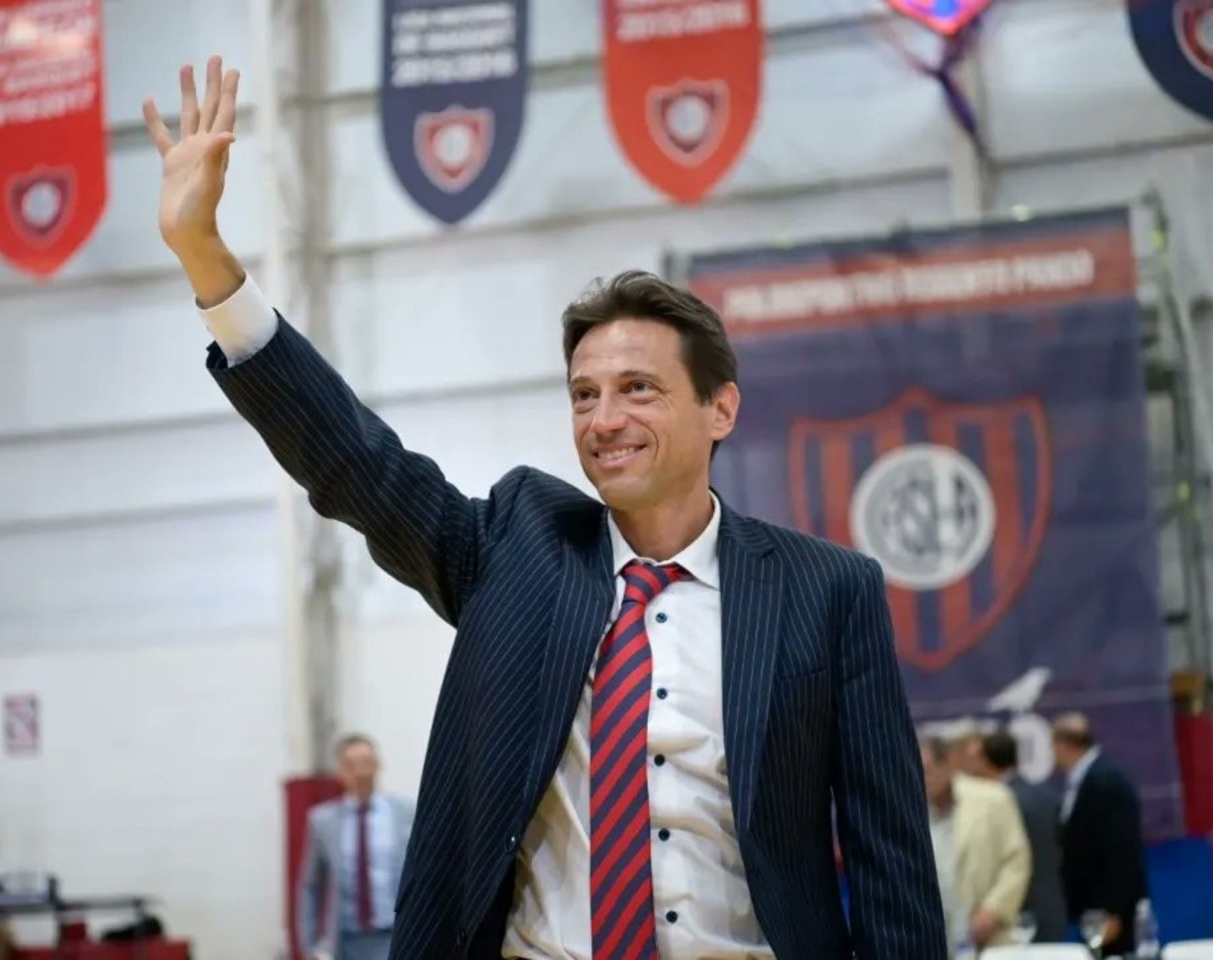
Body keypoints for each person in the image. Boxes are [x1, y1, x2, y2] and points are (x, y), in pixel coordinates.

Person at [142, 56, 947, 960]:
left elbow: (890, 866)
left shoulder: (826, 592)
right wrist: (206, 256)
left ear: (720, 408)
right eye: (584, 394)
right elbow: (357, 463)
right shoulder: (517, 548)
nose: (604, 420)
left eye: (638, 389)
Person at [298, 735, 414, 960]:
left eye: (367, 762)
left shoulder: (406, 814)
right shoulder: (322, 821)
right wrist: (309, 946)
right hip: (346, 942)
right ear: (340, 772)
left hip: (395, 935)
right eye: (351, 765)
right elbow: (311, 886)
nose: (361, 772)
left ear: (378, 765)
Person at [920, 737, 1032, 955]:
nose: (921, 779)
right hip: (934, 938)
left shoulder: (992, 798)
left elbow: (1017, 860)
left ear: (947, 764)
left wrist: (994, 909)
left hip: (987, 934)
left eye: (927, 770)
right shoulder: (911, 811)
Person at [1052, 712, 1148, 956]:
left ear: (1064, 744)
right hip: (1092, 909)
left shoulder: (1105, 782)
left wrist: (1113, 911)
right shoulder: (1085, 779)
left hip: (1108, 911)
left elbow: (1121, 851)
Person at [979, 730, 1069, 942]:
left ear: (985, 762)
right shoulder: (1048, 796)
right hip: (1051, 908)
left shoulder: (995, 804)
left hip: (1010, 917)